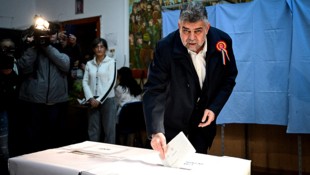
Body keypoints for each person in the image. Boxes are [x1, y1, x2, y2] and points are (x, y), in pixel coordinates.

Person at [142, 1, 238, 159]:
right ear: (179, 25)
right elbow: (154, 89)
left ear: (207, 28)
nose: (191, 38)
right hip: (172, 123)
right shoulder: (165, 48)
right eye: (185, 31)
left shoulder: (222, 42)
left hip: (202, 125)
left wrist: (214, 108)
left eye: (198, 31)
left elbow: (228, 78)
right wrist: (156, 130)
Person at [17, 26, 70, 153]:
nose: (49, 35)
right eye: (46, 33)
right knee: (34, 137)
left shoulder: (61, 47)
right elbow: (22, 66)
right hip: (34, 101)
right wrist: (36, 45)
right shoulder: (31, 48)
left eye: (52, 33)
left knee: (54, 137)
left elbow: (65, 65)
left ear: (57, 34)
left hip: (55, 101)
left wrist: (47, 46)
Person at [82, 38, 117, 144]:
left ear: (105, 49)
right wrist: (90, 98)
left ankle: (110, 156)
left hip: (108, 100)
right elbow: (85, 82)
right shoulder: (89, 64)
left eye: (102, 46)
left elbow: (112, 83)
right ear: (93, 49)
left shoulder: (111, 62)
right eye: (97, 46)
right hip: (92, 101)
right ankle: (94, 156)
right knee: (93, 131)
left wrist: (100, 100)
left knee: (109, 131)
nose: (99, 49)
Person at [0, 38, 19, 175]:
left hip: (8, 112)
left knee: (4, 148)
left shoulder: (14, 72)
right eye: (3, 49)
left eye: (9, 49)